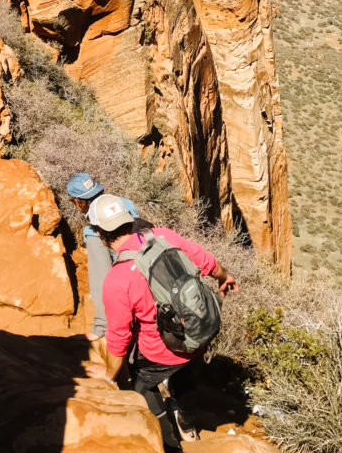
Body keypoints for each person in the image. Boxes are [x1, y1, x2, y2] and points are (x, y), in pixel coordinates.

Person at [85, 195, 238, 452]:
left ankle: (169, 442)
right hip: (196, 333)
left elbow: (119, 338)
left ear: (101, 234)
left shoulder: (117, 279)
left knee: (142, 388)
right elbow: (205, 261)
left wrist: (110, 378)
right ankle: (187, 424)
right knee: (188, 379)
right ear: (128, 220)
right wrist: (225, 277)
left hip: (160, 353)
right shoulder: (164, 235)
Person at [66, 172, 138, 338]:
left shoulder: (94, 232)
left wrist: (101, 328)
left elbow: (102, 283)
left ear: (77, 201)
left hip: (124, 292)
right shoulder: (124, 203)